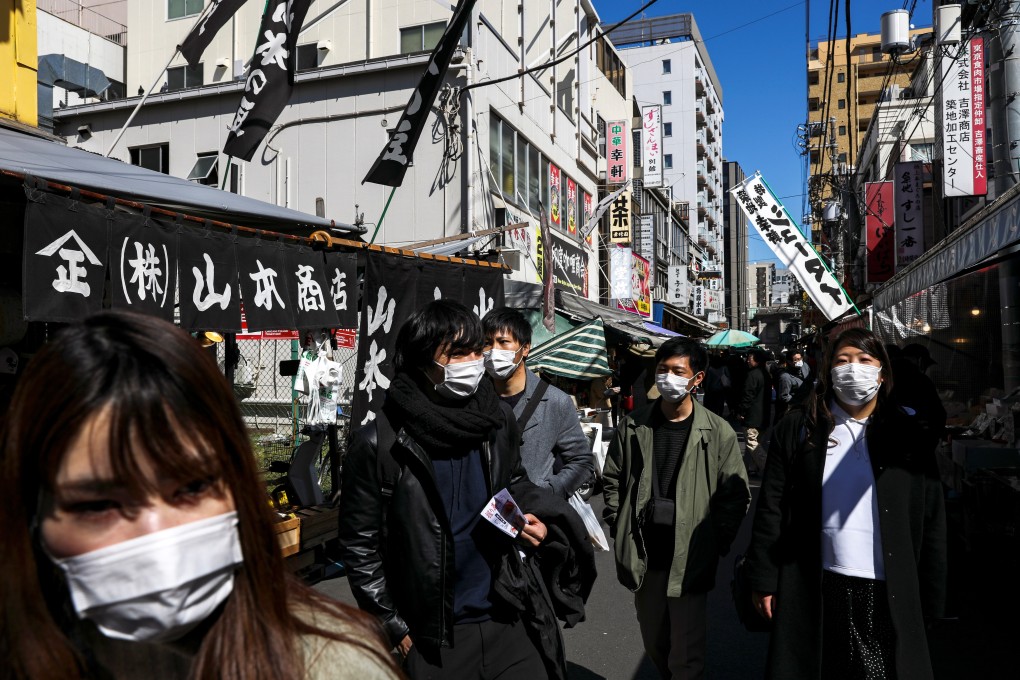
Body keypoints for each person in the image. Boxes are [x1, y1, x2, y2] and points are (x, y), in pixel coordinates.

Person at [0, 311, 398, 680]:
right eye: (99, 505)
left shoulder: (336, 666)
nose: (157, 534)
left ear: (237, 490)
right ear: (34, 515)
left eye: (192, 487)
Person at [339, 300, 592, 680]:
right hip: (436, 638)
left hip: (509, 611)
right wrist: (396, 629)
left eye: (478, 350)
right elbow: (360, 547)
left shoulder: (495, 420)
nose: (475, 361)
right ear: (424, 360)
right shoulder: (380, 442)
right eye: (458, 353)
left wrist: (534, 520)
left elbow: (513, 482)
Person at [745, 328, 947, 680]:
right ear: (828, 371)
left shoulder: (908, 433)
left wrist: (932, 595)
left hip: (887, 588)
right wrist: (764, 579)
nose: (853, 368)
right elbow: (771, 506)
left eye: (865, 360)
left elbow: (931, 518)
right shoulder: (799, 429)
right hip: (817, 582)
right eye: (842, 360)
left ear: (882, 372)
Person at [602, 338, 751, 680]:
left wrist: (715, 539)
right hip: (645, 551)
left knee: (686, 657)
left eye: (677, 371)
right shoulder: (634, 425)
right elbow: (612, 478)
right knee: (655, 641)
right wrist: (617, 522)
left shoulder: (718, 432)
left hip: (691, 556)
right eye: (662, 370)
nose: (668, 377)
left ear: (697, 379)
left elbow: (736, 494)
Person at [482, 308, 594, 498]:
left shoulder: (556, 401)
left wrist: (547, 493)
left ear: (525, 348)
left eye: (503, 342)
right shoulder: (475, 397)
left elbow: (581, 461)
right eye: (487, 343)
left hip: (534, 517)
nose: (494, 351)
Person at [737, 348, 772, 476]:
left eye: (750, 358)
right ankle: (753, 467)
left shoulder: (753, 375)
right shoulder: (766, 374)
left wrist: (741, 411)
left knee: (752, 443)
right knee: (758, 442)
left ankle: (768, 466)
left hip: (753, 416)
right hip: (764, 416)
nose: (747, 360)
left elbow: (748, 395)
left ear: (757, 360)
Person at [772, 356, 803, 423]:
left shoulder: (781, 372)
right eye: (796, 360)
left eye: (800, 359)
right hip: (785, 407)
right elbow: (784, 396)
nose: (799, 361)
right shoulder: (785, 376)